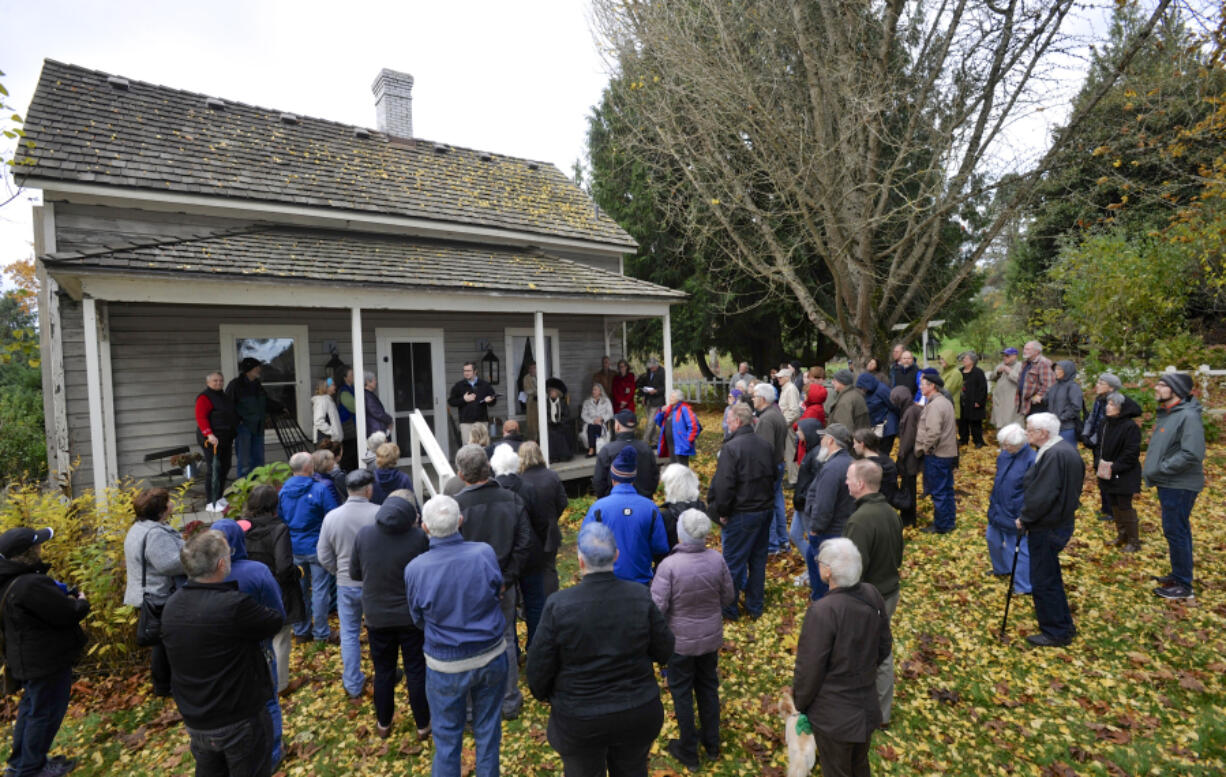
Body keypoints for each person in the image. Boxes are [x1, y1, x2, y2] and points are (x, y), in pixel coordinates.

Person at [527, 523, 674, 777]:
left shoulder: (558, 606)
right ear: (616, 556)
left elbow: (538, 670)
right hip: (636, 711)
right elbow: (665, 649)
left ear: (580, 561)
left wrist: (551, 695)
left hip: (579, 718)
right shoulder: (639, 596)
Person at [161, 530, 284, 777]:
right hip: (239, 719)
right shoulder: (233, 605)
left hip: (197, 718)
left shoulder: (172, 605)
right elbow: (274, 621)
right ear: (220, 564)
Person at [404, 495, 508, 777]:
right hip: (488, 657)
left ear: (424, 527)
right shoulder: (484, 553)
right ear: (460, 522)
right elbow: (499, 591)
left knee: (448, 738)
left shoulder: (416, 569)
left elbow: (417, 617)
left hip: (446, 665)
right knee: (487, 730)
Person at [792, 538, 891, 777]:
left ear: (828, 572)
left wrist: (801, 705)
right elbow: (884, 646)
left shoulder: (823, 611)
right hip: (865, 707)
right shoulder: (872, 594)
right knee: (859, 767)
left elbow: (810, 669)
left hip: (834, 718)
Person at [0, 527, 88, 777]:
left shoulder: (8, 579)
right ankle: (31, 768)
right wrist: (81, 601)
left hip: (26, 658)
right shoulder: (30, 584)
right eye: (37, 546)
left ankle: (20, 762)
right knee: (45, 713)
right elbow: (68, 614)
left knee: (31, 710)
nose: (41, 548)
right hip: (45, 660)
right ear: (26, 554)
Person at [453, 445, 533, 720]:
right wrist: (507, 579)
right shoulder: (510, 499)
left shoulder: (456, 505)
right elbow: (524, 544)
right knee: (506, 638)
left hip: (475, 586)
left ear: (462, 474)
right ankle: (508, 700)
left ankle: (476, 707)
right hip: (502, 582)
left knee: (470, 642)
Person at [650, 510, 733, 770]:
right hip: (709, 639)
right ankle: (712, 743)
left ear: (681, 533)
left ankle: (688, 750)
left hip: (680, 643)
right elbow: (728, 597)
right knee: (708, 686)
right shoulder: (716, 560)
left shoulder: (669, 566)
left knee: (682, 692)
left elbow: (656, 607)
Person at [351, 492, 431, 740]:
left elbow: (355, 572)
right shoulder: (418, 537)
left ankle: (383, 723)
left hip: (377, 616)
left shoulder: (364, 534)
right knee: (416, 669)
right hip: (410, 617)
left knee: (384, 670)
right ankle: (423, 725)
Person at [212, 519, 286, 769]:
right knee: (269, 699)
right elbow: (277, 611)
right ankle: (273, 752)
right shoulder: (256, 571)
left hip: (216, 651)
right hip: (258, 647)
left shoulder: (201, 576)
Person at [841, 460, 903, 728]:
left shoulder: (859, 521)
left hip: (867, 599)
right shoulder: (890, 512)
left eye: (848, 478)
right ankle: (878, 711)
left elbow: (852, 571)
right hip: (888, 592)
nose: (845, 482)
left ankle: (871, 712)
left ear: (860, 484)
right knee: (880, 650)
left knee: (867, 654)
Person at [1016, 413, 1083, 647]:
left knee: (1044, 579)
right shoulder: (1061, 449)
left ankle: (1056, 631)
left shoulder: (1055, 455)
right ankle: (1062, 625)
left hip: (1048, 526)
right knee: (1050, 575)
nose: (1026, 433)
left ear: (1043, 433)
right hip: (1057, 522)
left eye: (1030, 429)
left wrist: (1025, 518)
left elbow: (1043, 495)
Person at [707, 403, 775, 620]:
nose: (727, 422)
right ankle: (755, 607)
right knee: (757, 561)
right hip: (763, 510)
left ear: (737, 421)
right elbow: (773, 476)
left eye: (729, 419)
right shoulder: (765, 445)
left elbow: (725, 484)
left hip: (742, 513)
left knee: (733, 564)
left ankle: (729, 609)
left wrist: (722, 511)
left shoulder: (731, 448)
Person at [318, 468, 380, 698]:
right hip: (375, 583)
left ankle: (353, 683)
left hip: (346, 583)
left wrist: (338, 572)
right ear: (368, 489)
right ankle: (383, 675)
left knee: (350, 633)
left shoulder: (332, 517)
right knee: (379, 632)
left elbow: (323, 554)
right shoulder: (380, 514)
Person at [1143, 372, 1204, 601]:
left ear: (1175, 390)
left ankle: (1183, 585)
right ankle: (1179, 574)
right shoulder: (1170, 414)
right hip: (1170, 483)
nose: (1156, 388)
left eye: (1162, 385)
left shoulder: (1187, 416)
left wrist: (1161, 469)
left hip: (1179, 484)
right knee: (1177, 530)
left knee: (1176, 531)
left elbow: (1192, 453)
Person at [241, 485, 304, 695]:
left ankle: (258, 679)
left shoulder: (241, 527)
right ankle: (279, 685)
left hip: (249, 589)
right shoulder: (279, 529)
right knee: (280, 637)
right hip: (276, 589)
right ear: (274, 505)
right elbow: (284, 566)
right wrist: (298, 573)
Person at [122, 487, 185, 697]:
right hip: (159, 595)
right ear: (162, 509)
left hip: (147, 593)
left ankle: (164, 686)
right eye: (168, 501)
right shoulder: (155, 533)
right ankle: (166, 687)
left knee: (162, 642)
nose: (171, 503)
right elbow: (168, 564)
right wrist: (194, 557)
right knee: (167, 643)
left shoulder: (139, 528)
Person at [489, 444, 551, 648]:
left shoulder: (492, 489)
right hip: (530, 553)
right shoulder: (528, 488)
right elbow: (541, 522)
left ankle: (511, 647)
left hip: (502, 555)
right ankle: (535, 646)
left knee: (507, 605)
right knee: (534, 602)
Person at [581, 447, 669, 584]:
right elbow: (660, 548)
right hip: (641, 584)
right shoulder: (650, 508)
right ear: (633, 479)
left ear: (612, 478)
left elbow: (585, 545)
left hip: (607, 584)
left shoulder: (598, 508)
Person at [278, 451, 339, 645]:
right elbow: (332, 516)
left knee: (300, 590)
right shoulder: (319, 489)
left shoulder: (283, 492)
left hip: (294, 547)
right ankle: (321, 632)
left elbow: (279, 518)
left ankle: (302, 631)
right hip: (317, 546)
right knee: (320, 590)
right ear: (308, 467)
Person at [802, 424, 856, 600]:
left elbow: (824, 503)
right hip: (842, 526)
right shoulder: (849, 462)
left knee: (824, 574)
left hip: (829, 531)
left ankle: (823, 605)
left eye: (823, 438)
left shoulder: (833, 468)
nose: (821, 441)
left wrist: (816, 528)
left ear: (831, 440)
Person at [985, 424, 1034, 596]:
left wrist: (1024, 514)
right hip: (998, 507)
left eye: (1007, 446)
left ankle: (1023, 586)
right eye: (1003, 445)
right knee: (992, 539)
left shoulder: (1031, 459)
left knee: (1018, 549)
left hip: (1015, 513)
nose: (1004, 449)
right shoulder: (1005, 455)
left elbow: (1033, 492)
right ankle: (1001, 569)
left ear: (1020, 444)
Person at [518, 441, 567, 596]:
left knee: (529, 571)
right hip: (549, 530)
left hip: (528, 533)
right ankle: (552, 600)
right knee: (549, 569)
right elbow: (563, 502)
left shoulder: (519, 480)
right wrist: (553, 517)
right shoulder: (552, 476)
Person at [1098, 392, 1143, 552]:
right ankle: (1122, 535)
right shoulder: (1105, 423)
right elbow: (1101, 446)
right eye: (1108, 404)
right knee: (1114, 503)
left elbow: (1131, 452)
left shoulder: (1130, 427)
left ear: (1121, 409)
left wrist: (1115, 467)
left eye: (1112, 405)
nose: (1108, 407)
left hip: (1125, 472)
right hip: (1107, 471)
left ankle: (1134, 541)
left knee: (1124, 504)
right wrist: (1101, 464)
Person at [915, 372, 958, 534]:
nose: (920, 386)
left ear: (932, 386)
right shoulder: (944, 402)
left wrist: (926, 448)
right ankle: (948, 522)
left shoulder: (935, 405)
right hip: (947, 453)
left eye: (923, 384)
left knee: (939, 491)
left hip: (937, 455)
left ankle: (941, 525)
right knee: (947, 489)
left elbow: (933, 432)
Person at [226, 357, 283, 477]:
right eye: (257, 367)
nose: (259, 370)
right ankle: (244, 490)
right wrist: (237, 422)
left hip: (258, 426)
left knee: (259, 460)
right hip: (244, 428)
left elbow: (265, 401)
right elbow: (228, 406)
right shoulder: (236, 385)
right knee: (245, 462)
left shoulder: (257, 385)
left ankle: (258, 489)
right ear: (249, 370)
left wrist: (280, 407)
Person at [751, 383, 790, 555]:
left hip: (770, 468)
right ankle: (783, 541)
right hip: (778, 464)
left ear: (763, 398)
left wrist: (761, 472)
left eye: (754, 396)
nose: (752, 399)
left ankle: (773, 544)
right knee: (778, 503)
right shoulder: (776, 413)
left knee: (770, 505)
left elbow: (764, 449)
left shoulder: (766, 419)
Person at [1082, 373, 1123, 522]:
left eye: (1101, 383)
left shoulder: (1115, 401)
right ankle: (1105, 508)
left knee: (1107, 475)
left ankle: (1113, 511)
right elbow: (1092, 418)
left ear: (1111, 387)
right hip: (1096, 443)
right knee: (1099, 473)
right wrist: (1086, 434)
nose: (1097, 385)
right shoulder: (1099, 400)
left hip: (1107, 444)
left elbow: (1106, 425)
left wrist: (1093, 439)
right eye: (1098, 381)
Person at [196, 371, 238, 513]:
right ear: (208, 383)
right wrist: (209, 434)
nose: (219, 383)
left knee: (225, 466)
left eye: (221, 380)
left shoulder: (224, 397)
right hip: (212, 440)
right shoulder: (204, 397)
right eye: (215, 381)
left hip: (225, 439)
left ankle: (219, 497)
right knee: (214, 469)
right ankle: (210, 501)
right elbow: (201, 418)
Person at [593, 410, 659, 499]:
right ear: (635, 427)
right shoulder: (646, 449)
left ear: (617, 427)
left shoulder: (607, 451)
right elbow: (654, 477)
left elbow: (599, 482)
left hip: (615, 503)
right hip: (643, 502)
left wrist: (606, 500)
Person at [658, 463, 708, 556]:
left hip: (673, 563)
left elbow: (661, 549)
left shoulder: (666, 515)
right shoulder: (701, 508)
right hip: (700, 558)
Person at [891, 386, 921, 527]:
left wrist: (901, 455)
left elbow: (908, 437)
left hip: (909, 456)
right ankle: (908, 516)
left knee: (908, 485)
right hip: (910, 454)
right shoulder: (911, 409)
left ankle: (908, 518)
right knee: (908, 484)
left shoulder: (910, 412)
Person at [448, 361, 497, 448]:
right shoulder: (459, 386)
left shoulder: (484, 385)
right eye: (464, 371)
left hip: (482, 422)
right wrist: (464, 399)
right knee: (468, 448)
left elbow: (493, 401)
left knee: (484, 447)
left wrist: (490, 400)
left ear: (475, 371)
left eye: (469, 371)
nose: (466, 373)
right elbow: (451, 401)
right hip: (466, 423)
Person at [852, 429, 899, 508]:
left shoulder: (864, 468)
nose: (854, 446)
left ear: (862, 444)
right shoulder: (888, 461)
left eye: (855, 443)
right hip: (888, 508)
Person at [655, 390, 702, 466]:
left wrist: (688, 441)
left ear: (679, 399)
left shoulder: (684, 408)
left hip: (681, 444)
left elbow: (694, 426)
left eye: (673, 397)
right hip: (671, 443)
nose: (670, 398)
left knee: (682, 467)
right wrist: (661, 412)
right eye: (670, 396)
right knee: (674, 466)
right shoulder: (669, 409)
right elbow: (658, 422)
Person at [855, 372, 897, 454]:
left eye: (863, 387)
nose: (862, 390)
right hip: (877, 426)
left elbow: (894, 406)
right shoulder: (869, 392)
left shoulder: (882, 390)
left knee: (883, 452)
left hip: (886, 428)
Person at [1047, 361, 1084, 446]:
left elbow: (1076, 407)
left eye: (1059, 369)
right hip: (1053, 428)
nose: (1056, 371)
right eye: (1055, 369)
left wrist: (1061, 418)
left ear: (1068, 371)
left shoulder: (1073, 387)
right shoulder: (1054, 386)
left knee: (1067, 454)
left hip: (1067, 428)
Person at [1016, 340, 1055, 417]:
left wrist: (1037, 396)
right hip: (1026, 404)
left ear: (1036, 352)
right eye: (1024, 349)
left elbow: (1049, 385)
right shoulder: (1026, 363)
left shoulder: (1044, 363)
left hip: (1038, 406)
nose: (1024, 351)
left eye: (1027, 349)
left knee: (1038, 427)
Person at [778, 367, 803, 482]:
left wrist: (784, 424)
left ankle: (794, 480)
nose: (778, 379)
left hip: (789, 426)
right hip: (787, 425)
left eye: (780, 377)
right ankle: (792, 478)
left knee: (790, 452)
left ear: (787, 378)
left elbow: (794, 411)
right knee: (788, 453)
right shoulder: (786, 388)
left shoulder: (791, 389)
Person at [958, 352, 988, 448]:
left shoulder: (978, 372)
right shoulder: (960, 371)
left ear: (972, 361)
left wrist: (979, 401)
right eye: (963, 359)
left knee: (975, 423)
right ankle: (963, 439)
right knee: (962, 422)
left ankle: (978, 441)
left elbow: (983, 388)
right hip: (961, 402)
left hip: (974, 402)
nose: (963, 360)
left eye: (966, 359)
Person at [990, 348, 1023, 430]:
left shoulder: (1020, 366)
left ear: (1015, 356)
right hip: (999, 402)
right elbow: (991, 377)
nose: (1004, 357)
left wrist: (1009, 371)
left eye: (1007, 355)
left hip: (1011, 402)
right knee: (999, 424)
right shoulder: (1001, 365)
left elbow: (1021, 381)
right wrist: (998, 372)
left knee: (1011, 426)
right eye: (1004, 355)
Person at [636, 357, 666, 444]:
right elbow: (647, 384)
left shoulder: (662, 372)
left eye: (652, 367)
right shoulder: (649, 371)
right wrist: (644, 397)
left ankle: (644, 442)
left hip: (658, 400)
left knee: (650, 423)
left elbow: (665, 387)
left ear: (656, 365)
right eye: (650, 367)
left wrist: (656, 391)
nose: (651, 369)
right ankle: (654, 441)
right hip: (649, 399)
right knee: (651, 423)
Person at [581, 383, 614, 457]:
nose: (593, 391)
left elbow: (610, 413)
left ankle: (596, 449)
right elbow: (583, 415)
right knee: (591, 427)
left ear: (600, 391)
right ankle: (592, 449)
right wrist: (592, 421)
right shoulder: (587, 402)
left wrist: (602, 418)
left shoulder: (606, 401)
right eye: (593, 390)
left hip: (602, 423)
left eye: (595, 390)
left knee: (597, 427)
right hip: (591, 423)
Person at [337, 367, 360, 471]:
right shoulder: (344, 392)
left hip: (354, 427)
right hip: (348, 428)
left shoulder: (354, 388)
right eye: (351, 375)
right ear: (345, 378)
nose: (354, 376)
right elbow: (355, 408)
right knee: (349, 456)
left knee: (355, 455)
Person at [545, 382, 574, 463]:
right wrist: (551, 422)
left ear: (557, 393)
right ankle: (552, 457)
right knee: (552, 433)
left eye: (553, 391)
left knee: (561, 432)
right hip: (550, 424)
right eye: (550, 391)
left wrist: (560, 422)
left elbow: (567, 415)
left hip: (561, 424)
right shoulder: (546, 403)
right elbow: (545, 415)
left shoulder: (562, 403)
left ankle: (564, 455)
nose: (551, 393)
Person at [311, 378, 342, 446]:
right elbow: (318, 421)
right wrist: (332, 432)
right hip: (325, 441)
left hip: (330, 439)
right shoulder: (322, 400)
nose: (335, 386)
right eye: (333, 384)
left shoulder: (328, 400)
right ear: (325, 387)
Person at [363, 372, 394, 436]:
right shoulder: (367, 395)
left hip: (376, 429)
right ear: (368, 382)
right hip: (375, 430)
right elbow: (376, 412)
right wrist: (389, 420)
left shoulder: (369, 394)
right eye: (374, 380)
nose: (376, 382)